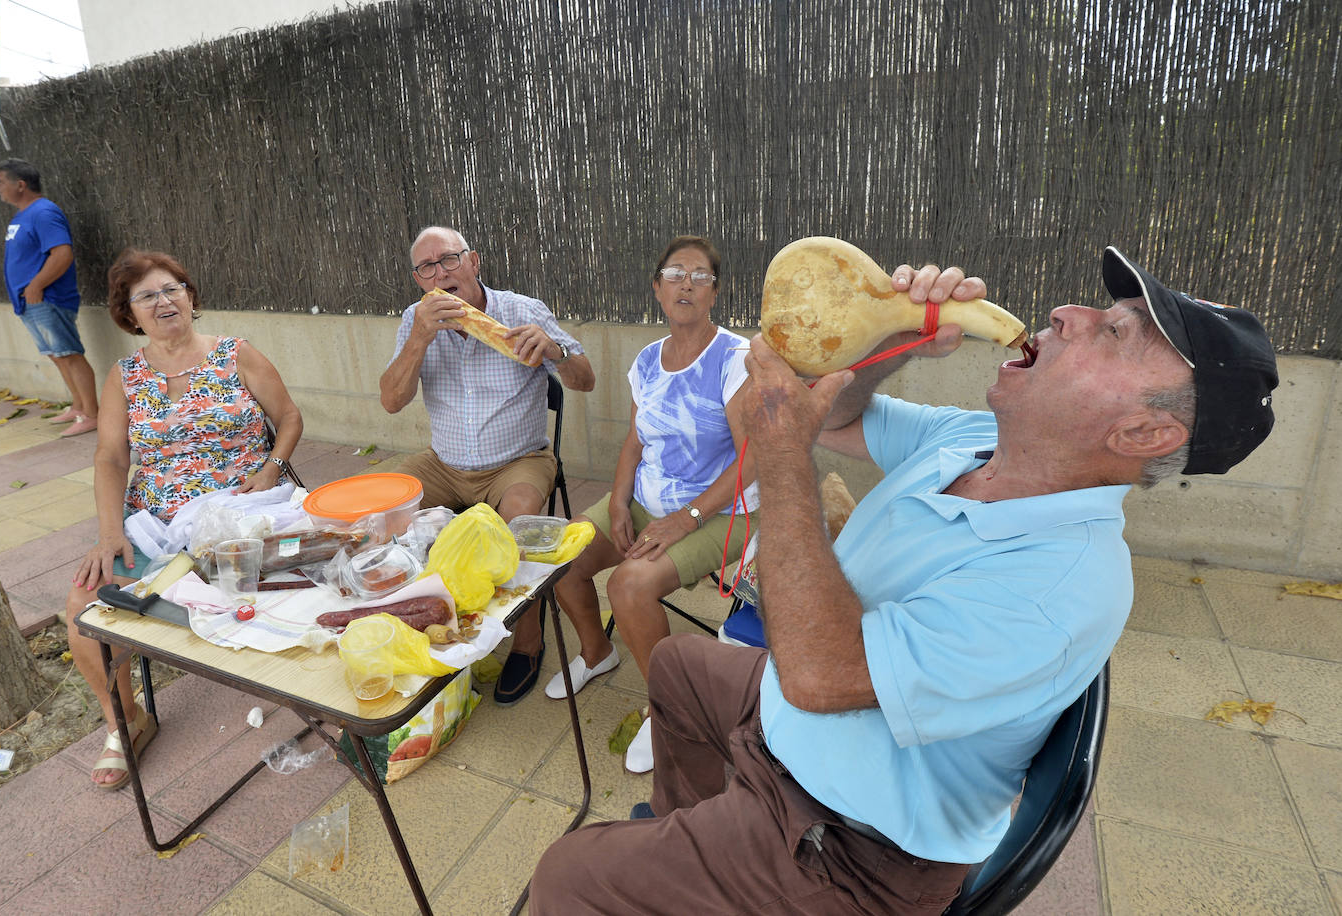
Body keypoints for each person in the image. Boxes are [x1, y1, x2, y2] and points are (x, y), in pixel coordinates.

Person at [528, 247, 1278, 913]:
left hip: (848, 847)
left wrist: (779, 451)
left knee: (563, 878)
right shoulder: (980, 439)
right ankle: (687, 856)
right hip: (800, 733)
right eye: (1101, 309)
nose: (1068, 312)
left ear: (1144, 434)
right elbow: (840, 420)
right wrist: (889, 342)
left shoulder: (1064, 586)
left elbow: (819, 675)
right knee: (676, 666)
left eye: (1115, 333)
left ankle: (700, 866)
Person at [66, 249, 303, 789]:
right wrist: (109, 534)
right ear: (130, 313)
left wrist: (272, 468)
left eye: (172, 288)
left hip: (244, 510)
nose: (163, 301)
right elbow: (109, 458)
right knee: (83, 604)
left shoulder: (235, 353)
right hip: (158, 520)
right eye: (146, 295)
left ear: (191, 298)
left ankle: (323, 696)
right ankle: (127, 720)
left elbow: (288, 418)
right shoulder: (123, 376)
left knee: (303, 583)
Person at [546, 235, 759, 774]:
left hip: (722, 510)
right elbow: (636, 441)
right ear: (657, 288)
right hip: (648, 501)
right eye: (675, 273)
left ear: (715, 292)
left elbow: (753, 459)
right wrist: (617, 500)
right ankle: (598, 651)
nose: (686, 283)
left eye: (700, 275)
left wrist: (684, 519)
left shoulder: (735, 359)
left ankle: (669, 709)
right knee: (565, 553)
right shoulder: (645, 361)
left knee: (629, 584)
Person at [379, 225, 595, 704]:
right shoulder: (415, 320)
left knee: (519, 521)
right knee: (379, 512)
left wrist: (555, 351)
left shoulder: (522, 310)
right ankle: (423, 621)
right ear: (419, 280)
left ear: (473, 262)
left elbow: (585, 380)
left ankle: (527, 639)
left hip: (518, 459)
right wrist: (418, 337)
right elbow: (391, 400)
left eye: (450, 260)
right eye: (427, 268)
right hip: (445, 462)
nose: (441, 273)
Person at [0, 158, 100, 437]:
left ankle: (92, 414)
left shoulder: (43, 212)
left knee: (70, 354)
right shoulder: (22, 216)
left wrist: (36, 286)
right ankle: (78, 406)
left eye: (1, 181)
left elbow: (62, 253)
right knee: (57, 355)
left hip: (48, 298)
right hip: (30, 302)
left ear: (20, 184)